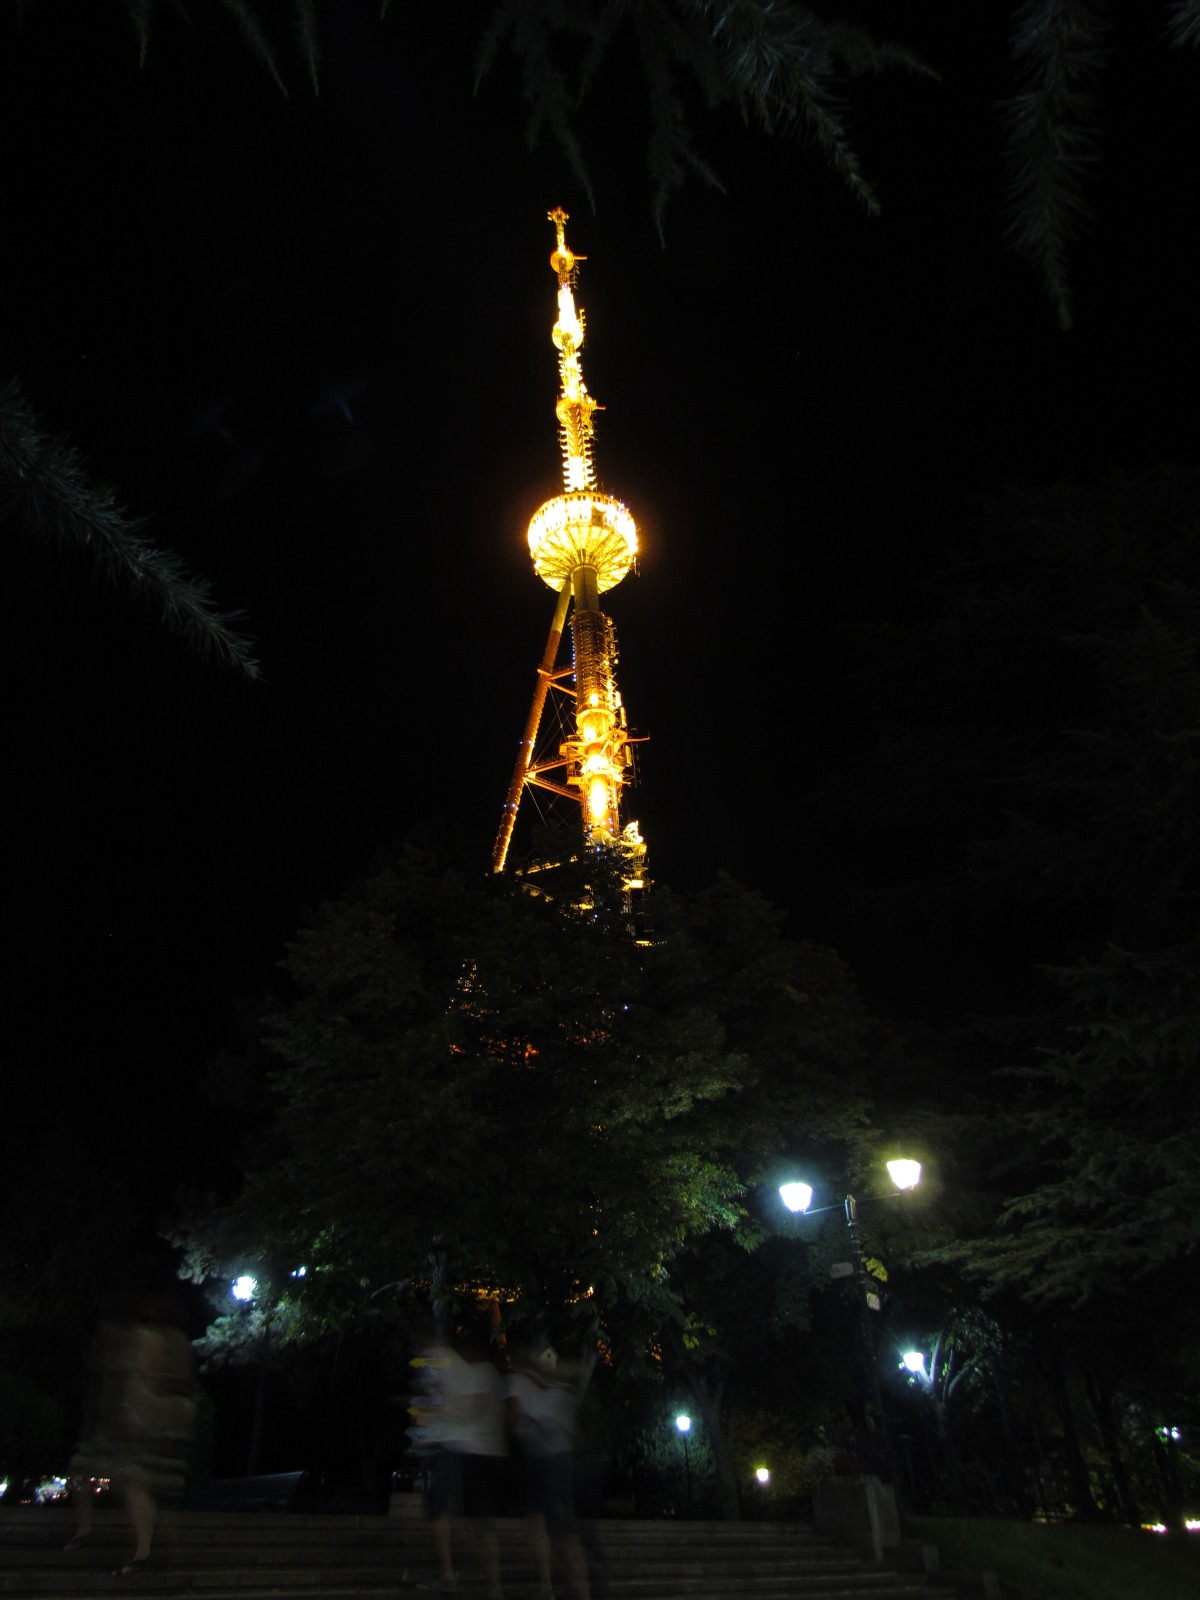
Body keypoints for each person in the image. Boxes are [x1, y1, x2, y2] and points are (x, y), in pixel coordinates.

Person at [65, 1287, 197, 1577]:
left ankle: (141, 1551)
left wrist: (133, 1414)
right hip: (153, 1421)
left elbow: (142, 1378)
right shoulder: (171, 1339)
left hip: (142, 1421)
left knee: (137, 1483)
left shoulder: (148, 1338)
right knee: (134, 1482)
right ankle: (136, 1547)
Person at [414, 1314, 508, 1599]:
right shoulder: (492, 1374)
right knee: (481, 1521)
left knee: (445, 1513)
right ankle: (495, 1587)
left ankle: (448, 1573)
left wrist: (434, 1418)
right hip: (490, 1452)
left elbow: (468, 1409)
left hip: (465, 1448)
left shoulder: (465, 1368)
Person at [505, 1344, 593, 1600]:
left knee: (540, 1521)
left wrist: (508, 1437)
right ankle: (579, 1588)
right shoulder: (562, 1393)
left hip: (541, 1459)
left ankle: (547, 1585)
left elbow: (516, 1413)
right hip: (562, 1460)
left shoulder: (520, 1382)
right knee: (563, 1527)